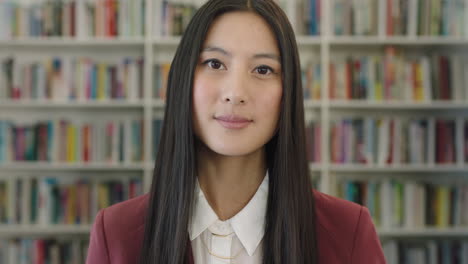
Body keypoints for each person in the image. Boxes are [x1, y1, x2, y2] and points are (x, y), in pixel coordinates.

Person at [86, 0, 386, 263]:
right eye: (214, 63)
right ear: (183, 80)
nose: (235, 93)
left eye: (263, 69)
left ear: (288, 93)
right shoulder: (116, 232)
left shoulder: (348, 231)